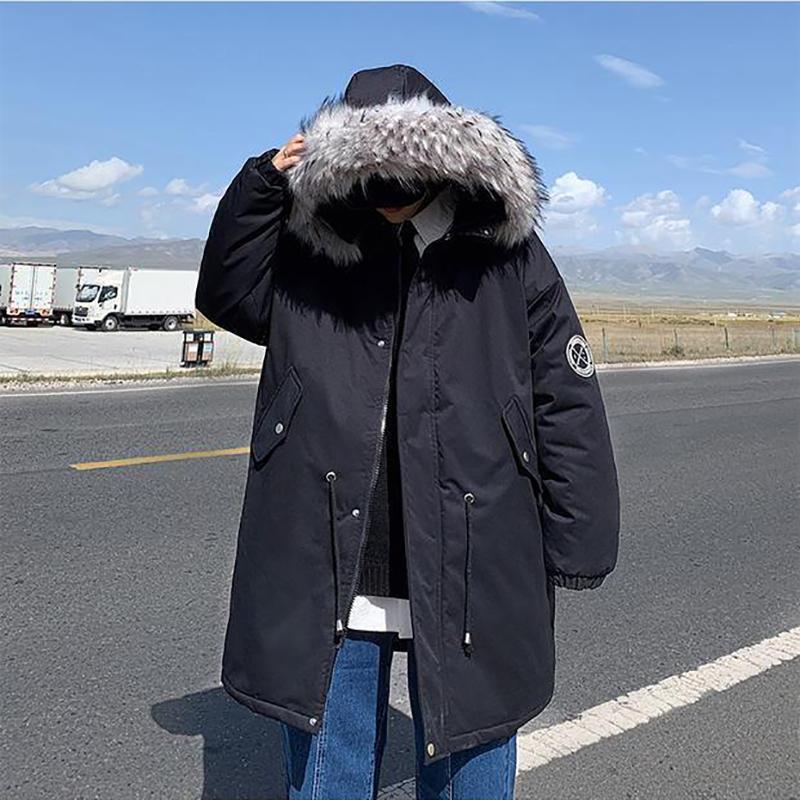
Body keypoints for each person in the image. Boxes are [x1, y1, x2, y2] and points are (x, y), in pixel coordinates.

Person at [196, 63, 620, 800]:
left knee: (471, 756)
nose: (390, 188)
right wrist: (265, 181)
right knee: (327, 774)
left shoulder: (505, 253)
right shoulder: (314, 246)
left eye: (407, 168)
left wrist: (579, 535)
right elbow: (229, 293)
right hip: (333, 548)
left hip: (471, 547)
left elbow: (565, 393)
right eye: (369, 167)